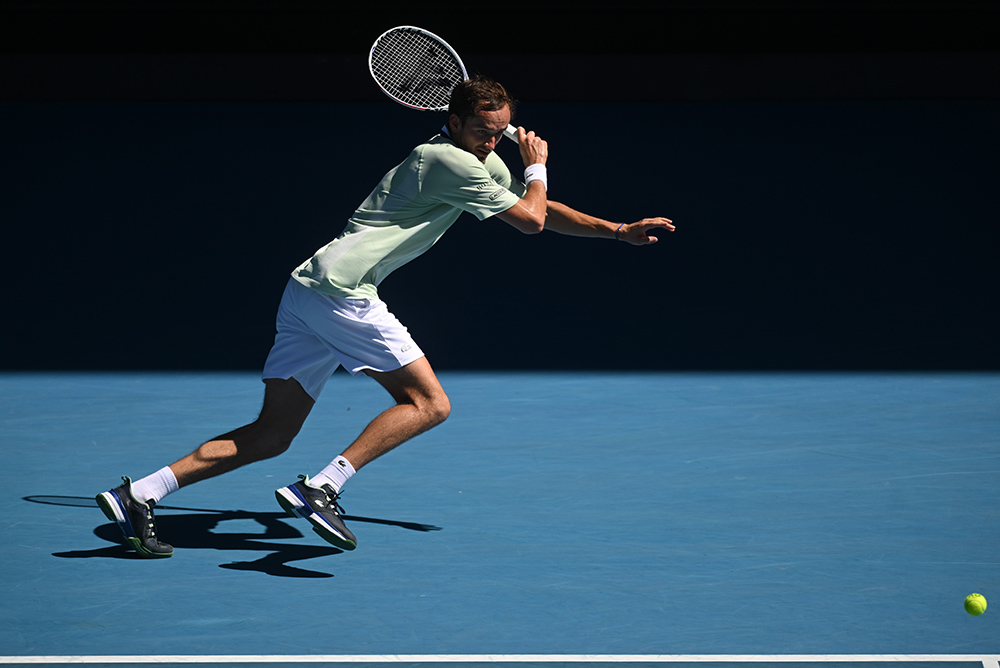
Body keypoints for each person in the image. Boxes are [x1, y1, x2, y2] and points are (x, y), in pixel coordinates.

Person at [96, 76, 675, 558]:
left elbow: (542, 210)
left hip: (307, 290)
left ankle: (139, 494)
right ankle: (322, 487)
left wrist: (617, 231)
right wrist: (538, 165)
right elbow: (531, 218)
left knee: (271, 434)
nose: (492, 141)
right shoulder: (446, 160)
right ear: (452, 121)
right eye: (482, 131)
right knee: (429, 404)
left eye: (500, 132)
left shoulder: (476, 159)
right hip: (342, 292)